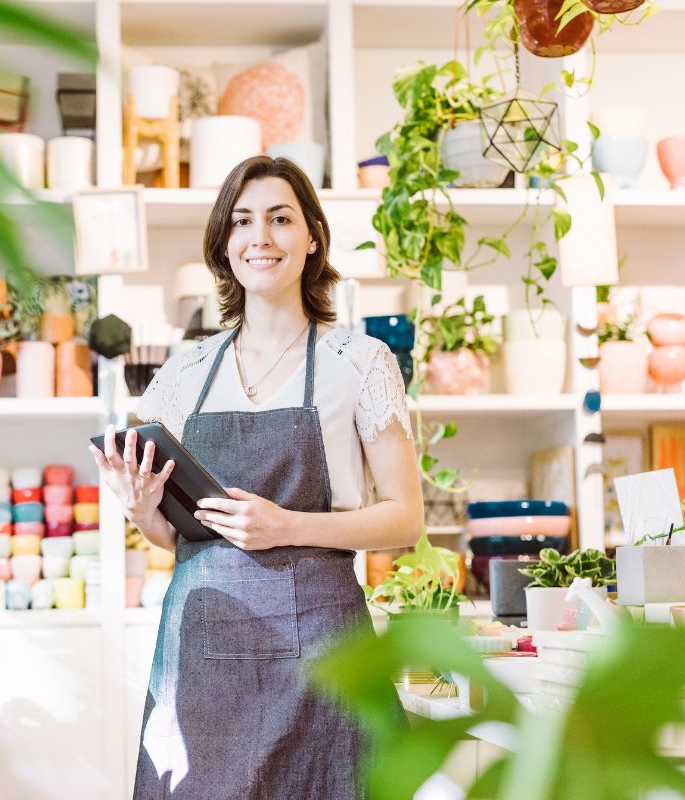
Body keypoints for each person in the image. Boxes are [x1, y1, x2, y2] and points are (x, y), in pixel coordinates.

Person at [89, 155, 424, 799]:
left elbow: (405, 516)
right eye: (242, 222)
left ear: (312, 239)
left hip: (325, 653)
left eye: (280, 219)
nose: (260, 237)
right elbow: (179, 538)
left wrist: (287, 525)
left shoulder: (358, 361)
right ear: (224, 245)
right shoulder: (183, 374)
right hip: (203, 657)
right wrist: (140, 508)